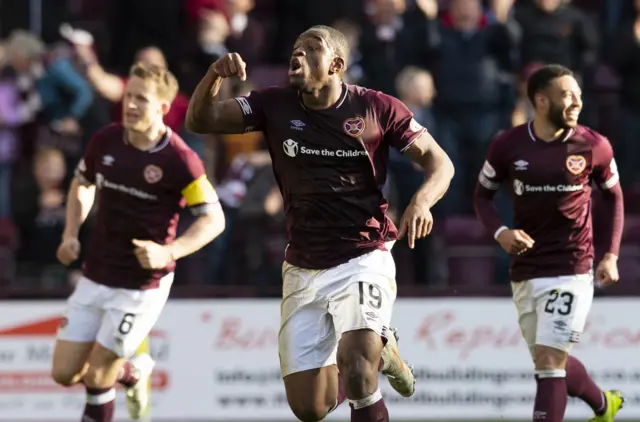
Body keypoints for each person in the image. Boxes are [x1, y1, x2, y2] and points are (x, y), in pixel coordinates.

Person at [186, 25, 455, 422]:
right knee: (310, 407)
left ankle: (372, 351)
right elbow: (201, 120)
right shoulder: (273, 104)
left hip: (364, 255)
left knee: (359, 370)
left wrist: (421, 202)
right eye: (295, 48)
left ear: (336, 65)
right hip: (304, 265)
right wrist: (214, 76)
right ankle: (384, 349)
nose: (298, 55)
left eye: (312, 50)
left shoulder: (377, 108)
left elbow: (440, 163)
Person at [52, 63, 225, 422]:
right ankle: (135, 371)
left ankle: (120, 376)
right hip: (96, 272)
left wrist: (169, 251)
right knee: (64, 374)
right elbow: (82, 184)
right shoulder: (105, 140)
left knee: (98, 376)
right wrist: (70, 233)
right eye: (129, 96)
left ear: (163, 108)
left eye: (141, 99)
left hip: (140, 286)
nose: (130, 104)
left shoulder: (180, 160)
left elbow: (214, 219)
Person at [473, 64, 625, 422]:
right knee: (550, 360)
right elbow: (482, 197)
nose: (576, 103)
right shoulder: (507, 145)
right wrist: (501, 233)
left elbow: (615, 198)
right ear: (541, 101)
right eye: (567, 95)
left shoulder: (593, 145)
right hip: (526, 268)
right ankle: (604, 405)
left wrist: (612, 255)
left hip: (572, 267)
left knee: (549, 362)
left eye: (579, 95)